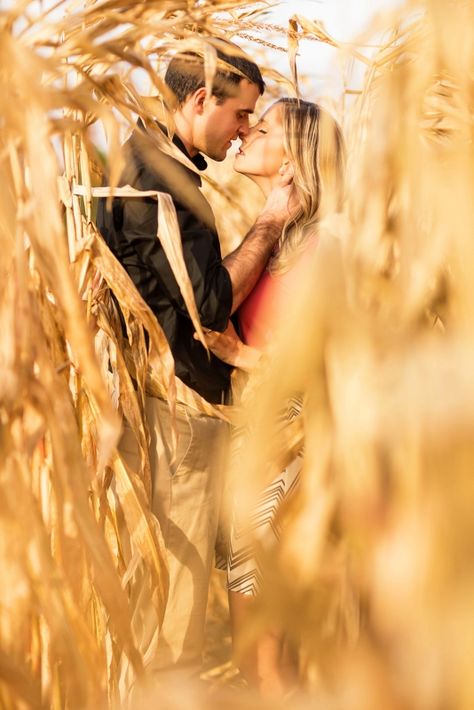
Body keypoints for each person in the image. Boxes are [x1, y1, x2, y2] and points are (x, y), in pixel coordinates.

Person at [96, 42, 297, 677]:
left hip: (163, 408)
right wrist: (269, 223)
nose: (243, 131)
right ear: (202, 100)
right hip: (180, 416)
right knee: (173, 622)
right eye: (242, 115)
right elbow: (208, 307)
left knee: (166, 604)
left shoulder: (142, 161)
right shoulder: (165, 182)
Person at [200, 98, 345, 698]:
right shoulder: (275, 241)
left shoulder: (325, 248)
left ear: (292, 162)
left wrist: (241, 356)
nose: (245, 134)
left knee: (260, 659)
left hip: (287, 441)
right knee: (254, 653)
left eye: (261, 129)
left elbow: (327, 363)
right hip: (255, 437)